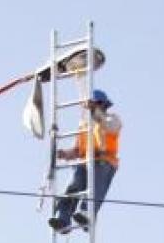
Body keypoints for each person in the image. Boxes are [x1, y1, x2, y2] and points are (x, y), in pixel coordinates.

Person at [49, 89, 121, 233]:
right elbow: (78, 149)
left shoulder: (111, 119)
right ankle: (63, 219)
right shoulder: (84, 126)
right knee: (73, 187)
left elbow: (111, 127)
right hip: (85, 161)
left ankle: (86, 214)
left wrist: (96, 113)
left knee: (95, 190)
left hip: (104, 161)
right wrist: (65, 154)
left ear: (102, 105)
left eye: (94, 105)